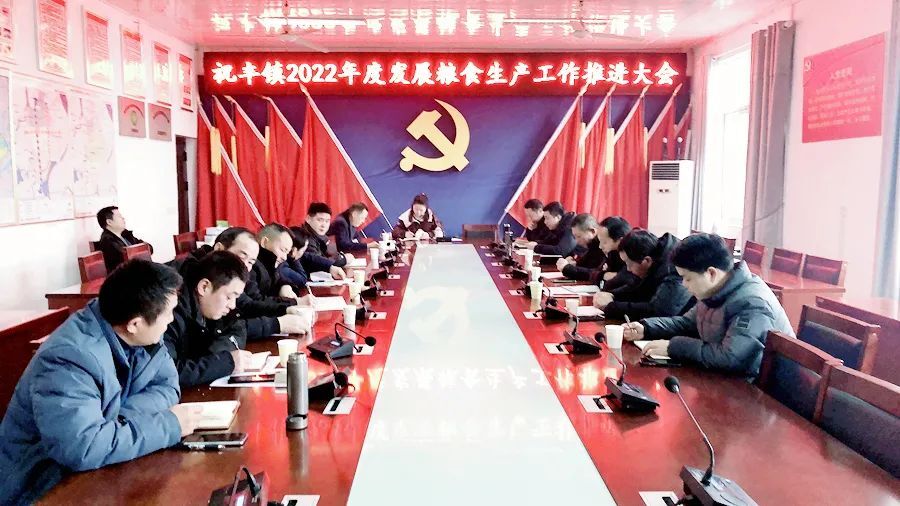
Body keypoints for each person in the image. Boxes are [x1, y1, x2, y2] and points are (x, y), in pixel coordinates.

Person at [0, 260, 201, 504]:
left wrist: (117, 423)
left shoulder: (141, 334)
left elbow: (168, 386)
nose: (171, 320)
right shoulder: (69, 358)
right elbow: (82, 448)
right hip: (40, 486)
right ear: (135, 324)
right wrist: (168, 425)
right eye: (168, 313)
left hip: (97, 468)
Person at [623, 234, 794, 379]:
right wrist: (646, 328)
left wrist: (673, 347)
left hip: (753, 392)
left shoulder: (752, 303)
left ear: (711, 273)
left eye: (688, 278)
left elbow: (730, 357)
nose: (684, 284)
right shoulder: (715, 290)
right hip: (722, 378)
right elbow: (686, 323)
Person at [168, 227, 309, 339]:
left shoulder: (229, 278)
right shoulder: (186, 280)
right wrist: (277, 324)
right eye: (242, 256)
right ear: (219, 249)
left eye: (251, 262)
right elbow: (219, 330)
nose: (245, 267)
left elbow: (244, 308)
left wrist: (286, 308)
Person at [163, 251, 253, 387]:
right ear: (204, 287)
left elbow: (238, 327)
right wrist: (225, 362)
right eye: (229, 297)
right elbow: (168, 373)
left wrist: (216, 354)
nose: (232, 305)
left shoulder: (211, 305)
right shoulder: (170, 315)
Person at [593, 229, 693, 321]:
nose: (628, 269)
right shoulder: (655, 255)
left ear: (646, 261)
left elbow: (659, 311)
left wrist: (611, 306)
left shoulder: (674, 268)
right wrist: (612, 295)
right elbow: (637, 287)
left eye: (629, 264)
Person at [96, 205, 154, 272]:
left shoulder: (125, 234)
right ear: (109, 222)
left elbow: (148, 248)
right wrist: (142, 251)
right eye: (119, 216)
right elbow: (125, 258)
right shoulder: (107, 241)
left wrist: (143, 250)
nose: (123, 218)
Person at [556, 213, 608, 281]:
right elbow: (586, 265)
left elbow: (596, 273)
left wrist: (568, 268)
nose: (577, 241)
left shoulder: (604, 246)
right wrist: (574, 264)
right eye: (575, 237)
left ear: (593, 231)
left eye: (579, 236)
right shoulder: (591, 244)